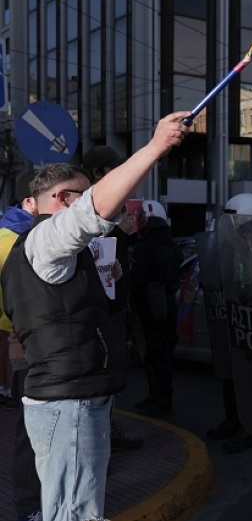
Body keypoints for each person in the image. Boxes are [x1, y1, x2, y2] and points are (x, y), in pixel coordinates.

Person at [1, 111, 189, 521]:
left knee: (78, 513)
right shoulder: (47, 238)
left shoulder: (56, 250)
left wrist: (109, 279)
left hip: (75, 395)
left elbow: (75, 313)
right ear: (65, 201)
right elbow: (91, 213)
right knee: (74, 516)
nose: (102, 200)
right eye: (86, 194)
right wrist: (156, 145)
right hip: (68, 401)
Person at [82, 145, 146, 453]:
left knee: (114, 372)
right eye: (113, 169)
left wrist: (128, 233)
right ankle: (101, 438)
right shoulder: (87, 205)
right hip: (99, 306)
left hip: (116, 300)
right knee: (101, 375)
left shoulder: (114, 201)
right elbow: (90, 250)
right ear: (97, 174)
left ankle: (108, 430)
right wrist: (118, 231)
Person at [207, 193, 252, 454]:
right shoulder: (233, 245)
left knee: (251, 379)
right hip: (235, 317)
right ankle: (233, 420)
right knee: (231, 374)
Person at [1, 171, 43, 521]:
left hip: (14, 335)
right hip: (23, 338)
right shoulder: (23, 239)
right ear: (29, 202)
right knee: (30, 433)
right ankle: (30, 510)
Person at [129, 200, 182, 416]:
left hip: (149, 308)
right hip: (168, 305)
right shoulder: (172, 246)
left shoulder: (145, 246)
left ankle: (159, 398)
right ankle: (160, 397)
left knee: (153, 354)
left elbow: (137, 280)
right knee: (164, 354)